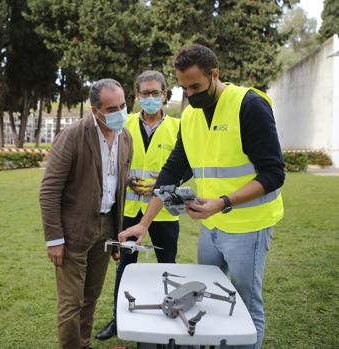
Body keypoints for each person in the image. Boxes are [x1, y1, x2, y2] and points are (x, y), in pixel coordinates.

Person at [119, 44, 285, 349]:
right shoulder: (191, 116)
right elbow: (172, 172)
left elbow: (274, 174)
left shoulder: (249, 105)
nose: (190, 95)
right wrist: (144, 224)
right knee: (205, 294)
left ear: (215, 74)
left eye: (195, 86)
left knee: (246, 305)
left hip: (249, 227)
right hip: (212, 229)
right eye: (183, 88)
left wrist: (222, 203)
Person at [96, 71, 190, 341]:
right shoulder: (123, 124)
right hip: (127, 212)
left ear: (165, 95)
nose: (150, 98)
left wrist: (164, 183)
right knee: (125, 267)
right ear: (136, 96)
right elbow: (109, 161)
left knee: (167, 266)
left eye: (155, 93)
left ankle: (168, 318)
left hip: (164, 213)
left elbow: (189, 166)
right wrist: (125, 179)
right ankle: (118, 318)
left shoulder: (179, 126)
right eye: (145, 93)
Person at [39, 78, 133, 349]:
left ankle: (83, 344)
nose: (119, 113)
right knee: (72, 303)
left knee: (91, 297)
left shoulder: (125, 137)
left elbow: (117, 189)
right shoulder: (73, 136)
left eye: (123, 106)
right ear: (95, 110)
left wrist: (115, 234)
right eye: (112, 109)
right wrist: (55, 239)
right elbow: (49, 191)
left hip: (105, 230)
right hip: (73, 233)